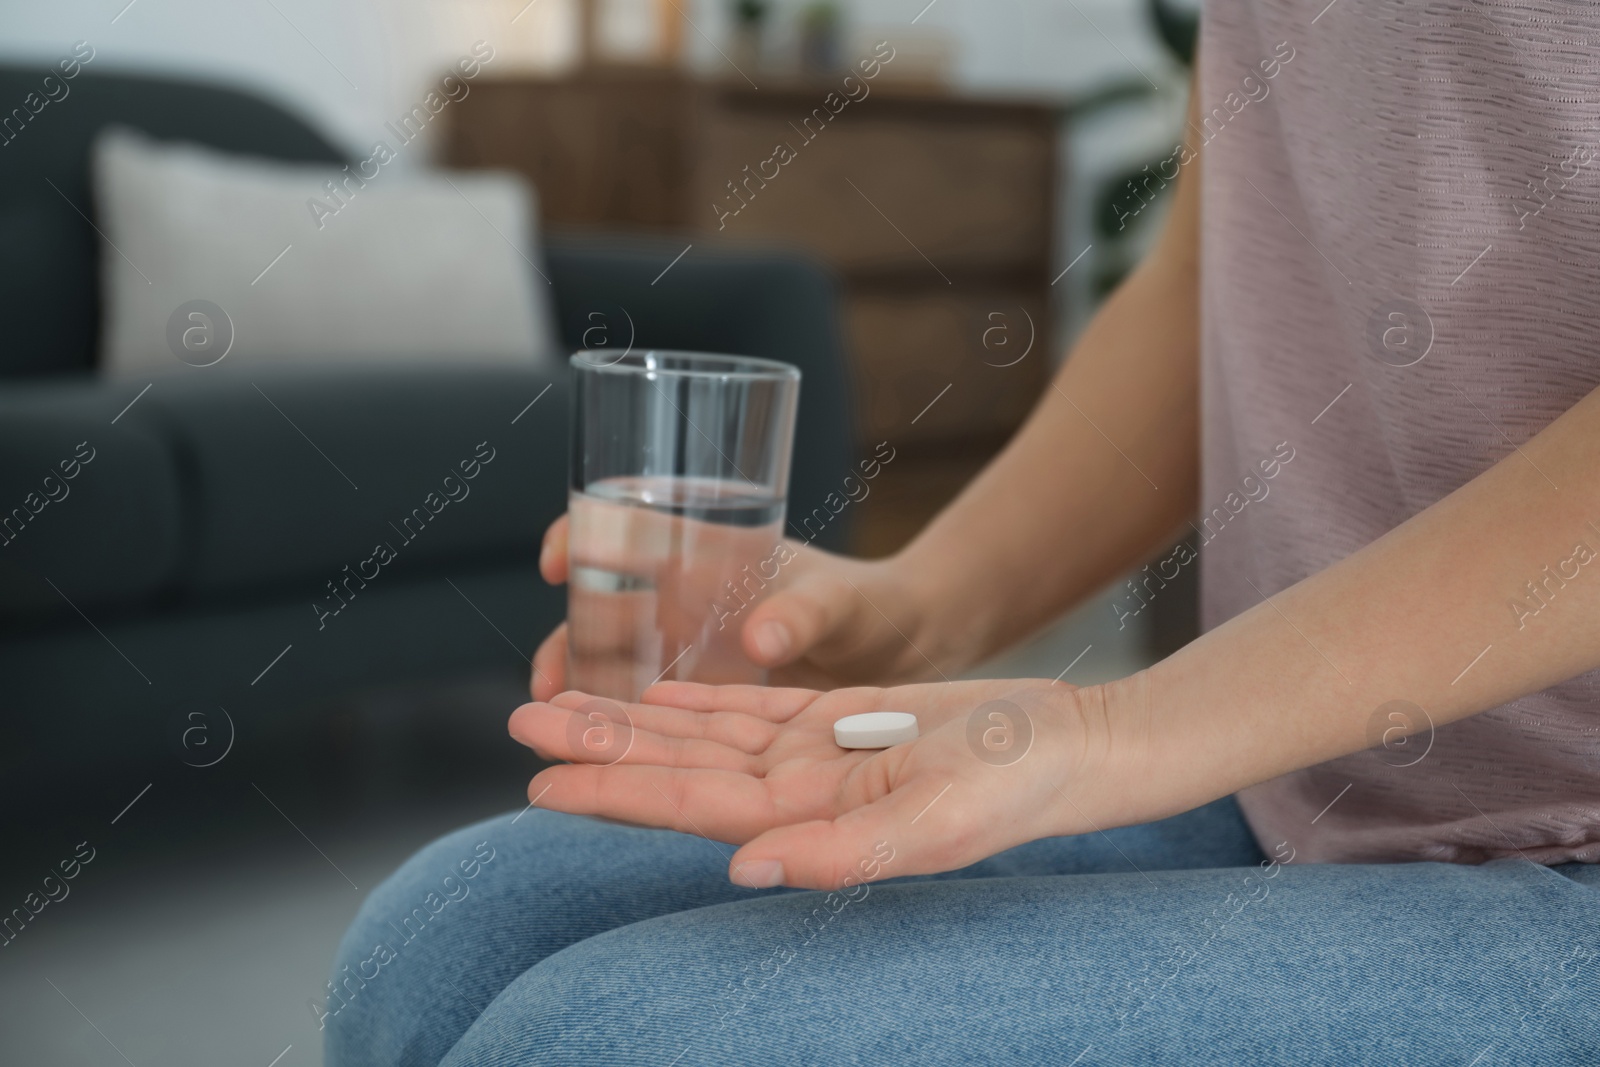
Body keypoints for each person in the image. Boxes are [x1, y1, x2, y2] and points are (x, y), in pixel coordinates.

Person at [325, 5, 1600, 1063]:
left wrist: (1120, 730)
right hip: (1296, 776)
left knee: (594, 1043)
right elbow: (1221, 280)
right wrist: (919, 607)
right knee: (438, 937)